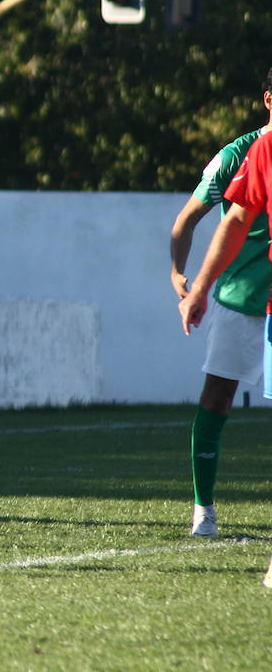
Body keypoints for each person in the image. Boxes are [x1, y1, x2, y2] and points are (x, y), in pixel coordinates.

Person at [169, 73, 272, 538]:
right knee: (216, 400)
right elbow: (196, 219)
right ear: (268, 99)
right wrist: (185, 278)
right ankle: (203, 513)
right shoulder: (243, 154)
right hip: (239, 298)